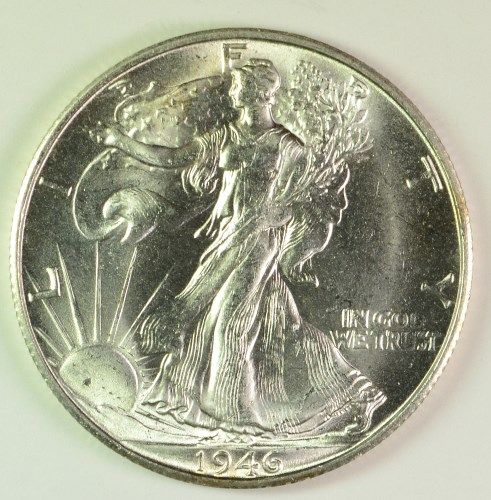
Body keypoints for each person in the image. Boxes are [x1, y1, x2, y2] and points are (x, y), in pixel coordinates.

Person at [92, 59, 385, 436]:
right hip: (227, 235)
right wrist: (120, 141)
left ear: (261, 93)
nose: (232, 91)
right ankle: (333, 398)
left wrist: (259, 226)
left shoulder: (288, 148)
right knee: (241, 323)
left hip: (258, 240)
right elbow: (172, 158)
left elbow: (285, 209)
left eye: (239, 86)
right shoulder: (225, 135)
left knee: (231, 325)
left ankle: (234, 416)